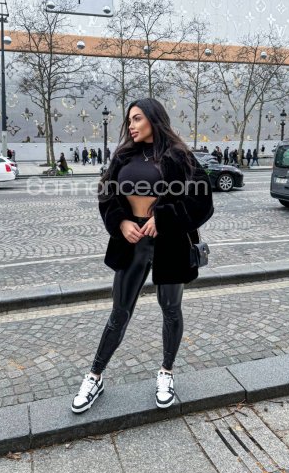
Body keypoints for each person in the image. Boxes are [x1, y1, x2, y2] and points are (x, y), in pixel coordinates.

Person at [71, 98, 214, 414]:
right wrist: (121, 221)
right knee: (119, 312)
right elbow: (106, 193)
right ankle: (94, 376)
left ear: (153, 118)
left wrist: (163, 218)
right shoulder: (124, 155)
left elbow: (202, 202)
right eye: (129, 120)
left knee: (171, 310)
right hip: (131, 242)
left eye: (136, 119)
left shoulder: (178, 155)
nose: (131, 126)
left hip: (170, 244)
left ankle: (166, 372)